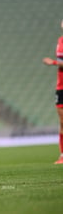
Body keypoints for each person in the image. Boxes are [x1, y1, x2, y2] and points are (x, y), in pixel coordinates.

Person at [43, 19, 63, 164]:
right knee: (62, 122)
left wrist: (54, 63)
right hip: (61, 87)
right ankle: (62, 156)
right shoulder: (61, 41)